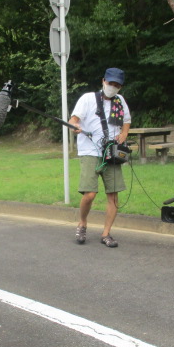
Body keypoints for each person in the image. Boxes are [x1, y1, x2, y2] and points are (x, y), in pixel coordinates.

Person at [69, 67, 132, 248]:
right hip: (90, 151)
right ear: (103, 81)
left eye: (117, 85)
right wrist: (74, 126)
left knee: (113, 195)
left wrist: (124, 133)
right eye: (110, 83)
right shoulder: (88, 98)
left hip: (111, 152)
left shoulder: (120, 101)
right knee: (90, 193)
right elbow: (74, 119)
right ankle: (82, 223)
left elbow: (126, 120)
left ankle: (106, 233)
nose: (113, 87)